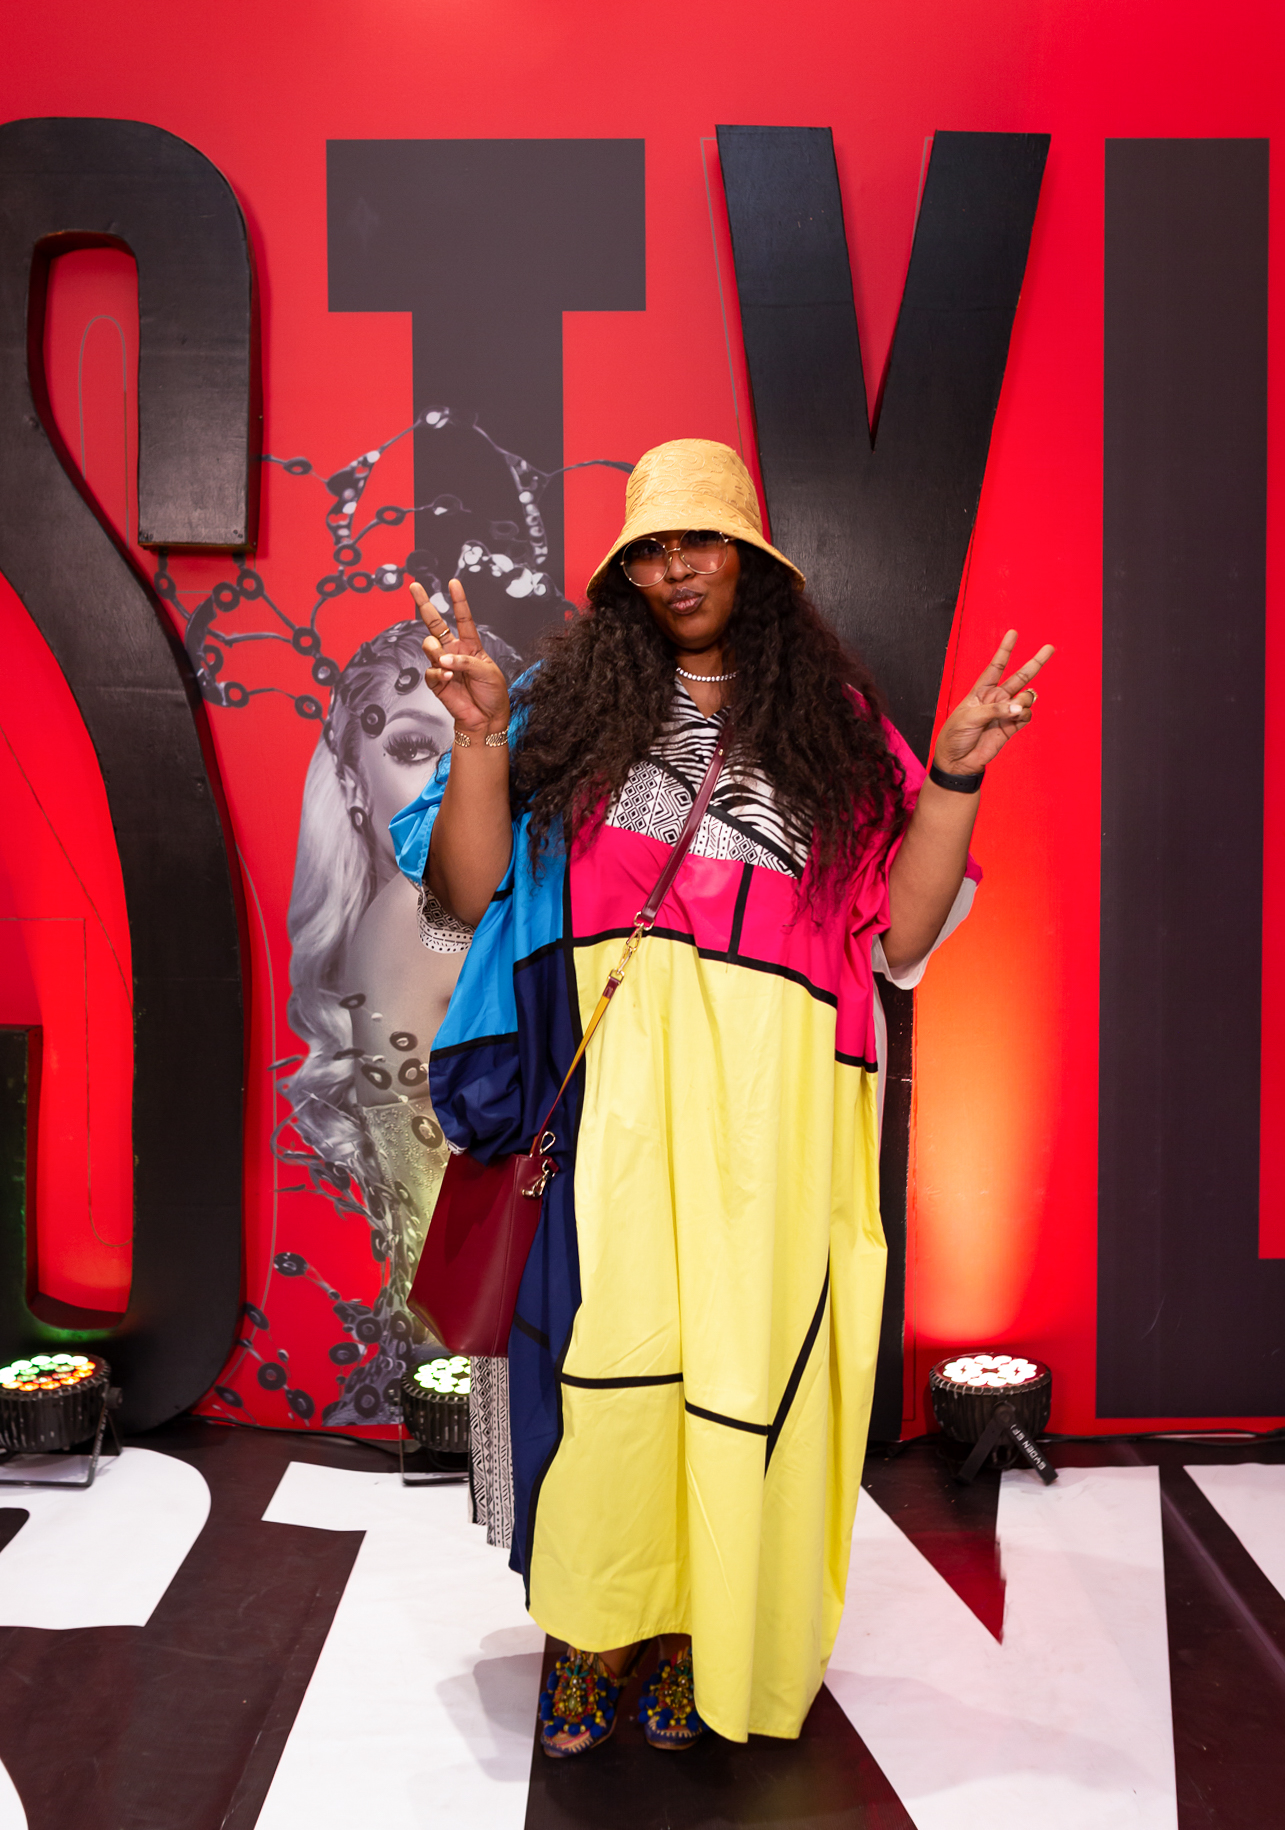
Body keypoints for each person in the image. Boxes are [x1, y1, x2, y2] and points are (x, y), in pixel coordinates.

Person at [390, 439, 1052, 1754]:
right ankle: (593, 1634)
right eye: (648, 549)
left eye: (699, 541)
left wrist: (956, 775)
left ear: (751, 558)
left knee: (741, 1378)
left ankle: (701, 1628)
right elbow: (467, 890)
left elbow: (902, 932)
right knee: (607, 1381)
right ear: (623, 575)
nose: (675, 568)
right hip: (615, 1115)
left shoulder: (835, 732)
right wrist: (476, 736)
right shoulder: (565, 709)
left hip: (773, 1121)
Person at [284, 618, 517, 1426]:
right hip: (470, 1360)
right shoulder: (414, 916)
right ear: (354, 788)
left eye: (480, 742)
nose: (458, 774)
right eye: (417, 747)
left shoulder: (501, 913)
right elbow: (433, 1218)